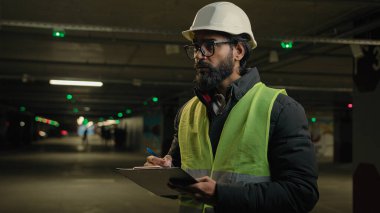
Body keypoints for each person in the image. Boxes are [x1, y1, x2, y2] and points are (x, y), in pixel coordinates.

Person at [145, 2, 319, 212]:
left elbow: (302, 194)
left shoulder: (281, 109)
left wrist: (221, 194)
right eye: (195, 47)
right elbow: (181, 178)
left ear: (238, 51)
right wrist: (164, 173)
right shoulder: (186, 112)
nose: (199, 55)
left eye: (209, 46)